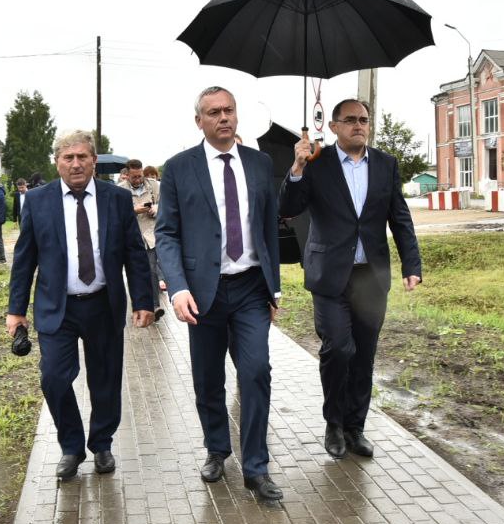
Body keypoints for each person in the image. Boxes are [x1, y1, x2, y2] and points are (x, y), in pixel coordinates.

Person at [155, 87, 283, 502]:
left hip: (249, 288)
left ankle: (256, 467)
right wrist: (177, 287)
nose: (223, 118)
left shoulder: (260, 164)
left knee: (256, 371)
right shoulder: (179, 168)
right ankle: (216, 448)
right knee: (208, 378)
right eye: (214, 112)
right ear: (199, 121)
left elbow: (268, 230)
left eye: (229, 110)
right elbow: (167, 234)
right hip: (202, 293)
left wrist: (273, 287)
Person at [6, 130, 156, 481]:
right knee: (54, 378)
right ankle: (71, 446)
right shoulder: (39, 201)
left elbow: (135, 252)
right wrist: (16, 310)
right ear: (57, 162)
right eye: (67, 158)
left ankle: (101, 443)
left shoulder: (115, 199)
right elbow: (24, 258)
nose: (75, 163)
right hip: (57, 306)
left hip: (103, 303)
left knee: (105, 379)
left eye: (82, 157)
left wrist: (144, 300)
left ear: (93, 161)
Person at [281, 98, 422, 459]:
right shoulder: (316, 162)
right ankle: (333, 423)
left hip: (370, 277)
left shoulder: (386, 165)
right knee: (339, 349)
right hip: (330, 275)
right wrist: (297, 167)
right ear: (333, 126)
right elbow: (288, 208)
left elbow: (399, 217)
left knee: (364, 355)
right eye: (350, 120)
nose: (358, 125)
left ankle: (355, 427)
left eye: (363, 120)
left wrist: (411, 265)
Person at [123, 159, 164, 321]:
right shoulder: (121, 190)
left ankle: (154, 306)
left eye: (140, 176)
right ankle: (139, 306)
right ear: (127, 175)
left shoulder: (154, 186)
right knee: (135, 272)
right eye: (134, 177)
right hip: (131, 238)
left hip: (150, 236)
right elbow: (117, 213)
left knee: (152, 270)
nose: (138, 179)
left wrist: (156, 208)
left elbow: (166, 204)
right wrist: (134, 210)